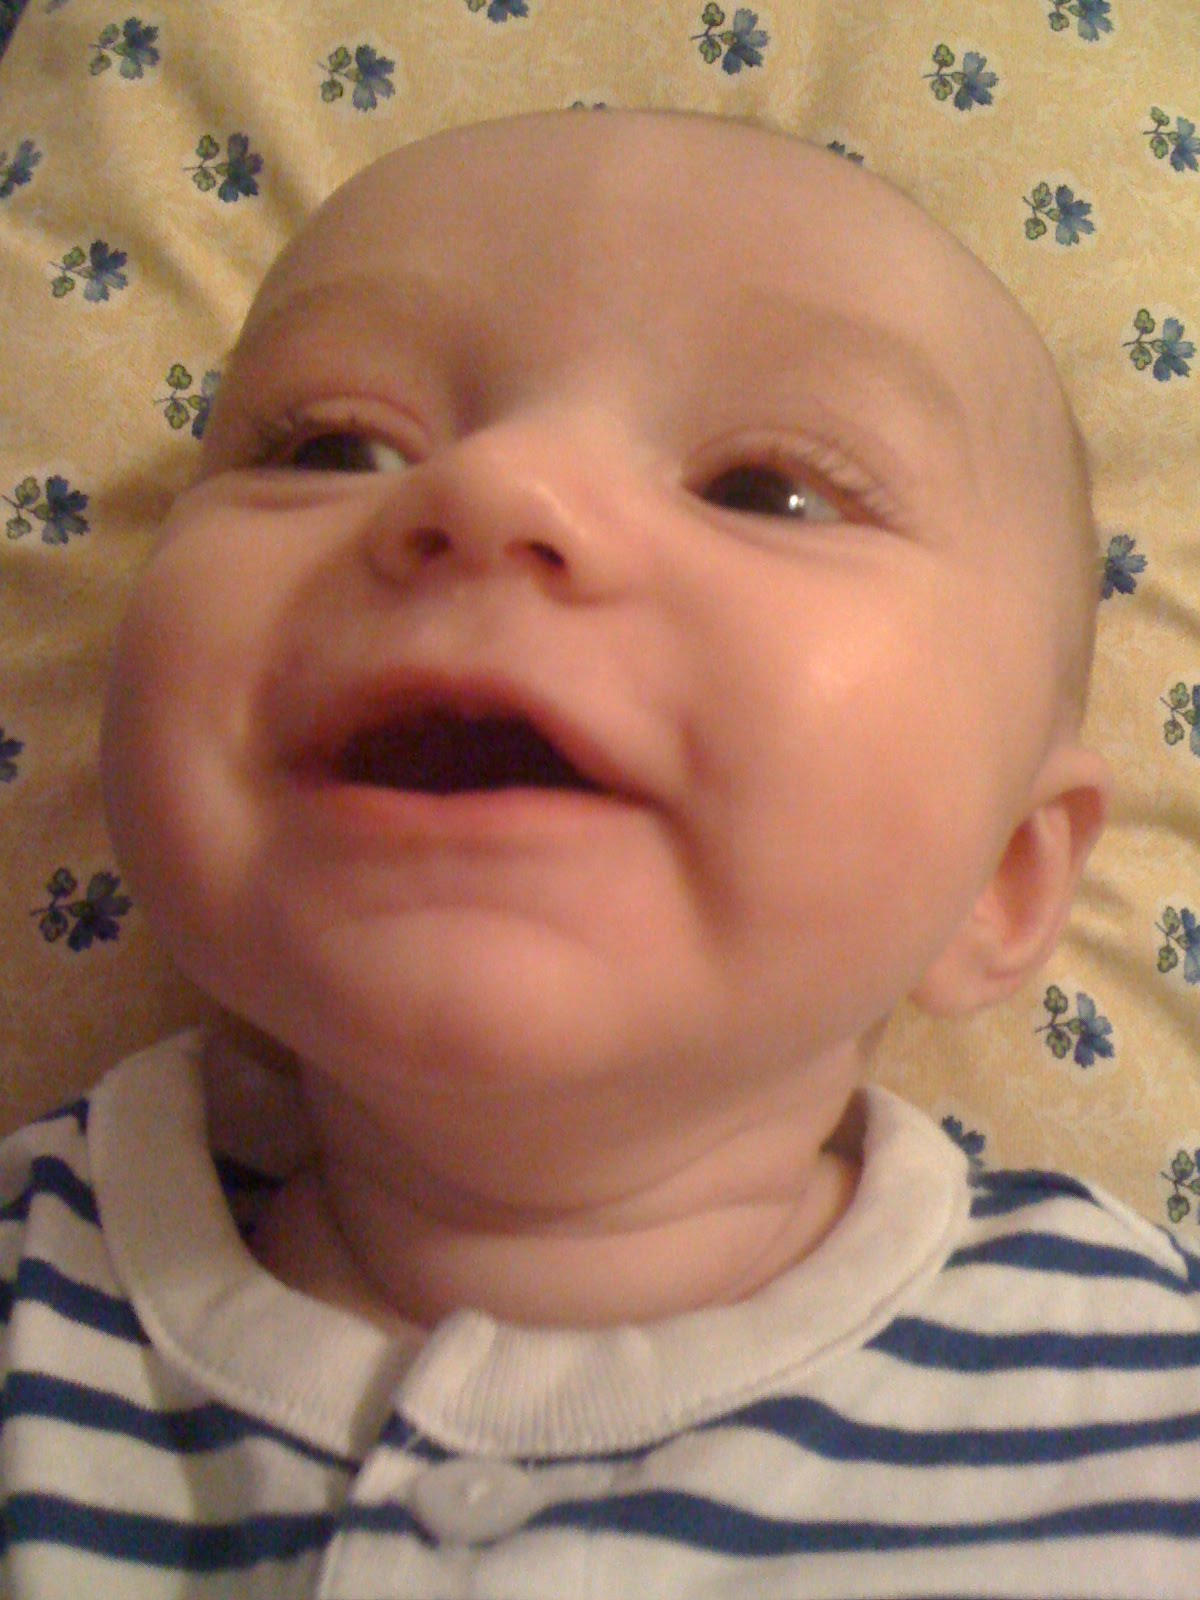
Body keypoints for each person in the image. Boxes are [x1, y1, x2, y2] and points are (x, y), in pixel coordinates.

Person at [2, 108, 1194, 1599]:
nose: (497, 487)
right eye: (333, 446)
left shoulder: (1140, 1402)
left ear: (1005, 878)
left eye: (767, 491)